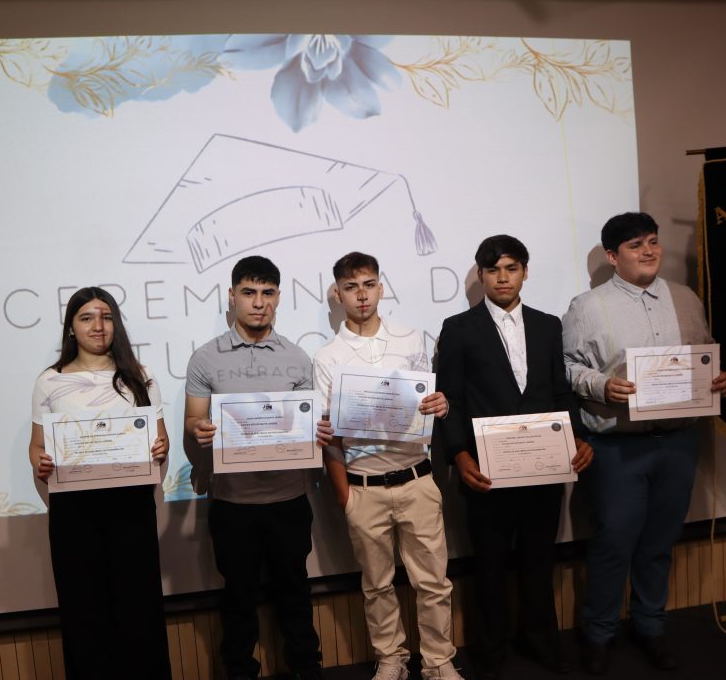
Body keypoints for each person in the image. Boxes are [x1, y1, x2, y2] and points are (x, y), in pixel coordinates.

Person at [561, 212, 726, 675]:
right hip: (618, 447)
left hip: (678, 442)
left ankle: (650, 627)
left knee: (659, 542)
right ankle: (598, 634)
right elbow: (567, 367)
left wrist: (719, 379)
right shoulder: (586, 306)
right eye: (635, 245)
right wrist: (601, 385)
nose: (649, 251)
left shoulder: (686, 298)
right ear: (613, 256)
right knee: (614, 543)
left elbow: (705, 353)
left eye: (653, 241)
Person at [435, 235, 594, 679]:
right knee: (489, 565)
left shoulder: (547, 325)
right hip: (486, 471)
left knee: (539, 561)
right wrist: (458, 454)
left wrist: (578, 437)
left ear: (525, 272)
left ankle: (539, 640)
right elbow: (450, 399)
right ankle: (491, 651)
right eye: (493, 270)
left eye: (511, 268)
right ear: (481, 275)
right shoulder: (458, 328)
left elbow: (561, 391)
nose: (502, 278)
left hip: (545, 467)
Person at [313, 252, 463, 680]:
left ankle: (438, 661)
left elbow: (427, 405)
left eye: (368, 285)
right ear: (338, 294)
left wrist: (441, 404)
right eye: (351, 287)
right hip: (363, 487)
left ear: (380, 288)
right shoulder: (327, 356)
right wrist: (345, 496)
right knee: (376, 584)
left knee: (433, 582)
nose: (361, 295)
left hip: (416, 477)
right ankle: (391, 658)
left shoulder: (411, 339)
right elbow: (330, 436)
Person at [183, 255, 323, 680]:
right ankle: (240, 671)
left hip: (289, 499)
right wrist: (198, 429)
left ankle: (306, 669)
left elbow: (308, 428)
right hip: (232, 503)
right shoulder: (205, 358)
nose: (258, 302)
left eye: (267, 293)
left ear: (278, 297)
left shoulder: (297, 357)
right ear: (232, 297)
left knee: (295, 593)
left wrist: (319, 430)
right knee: (238, 598)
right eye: (248, 293)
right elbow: (192, 422)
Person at [29, 286, 171, 680]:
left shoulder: (140, 376)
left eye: (106, 317)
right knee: (84, 614)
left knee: (139, 611)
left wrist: (160, 448)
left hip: (131, 508)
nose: (98, 325)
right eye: (87, 317)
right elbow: (37, 446)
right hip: (75, 514)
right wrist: (41, 462)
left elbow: (161, 441)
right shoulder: (50, 381)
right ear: (71, 327)